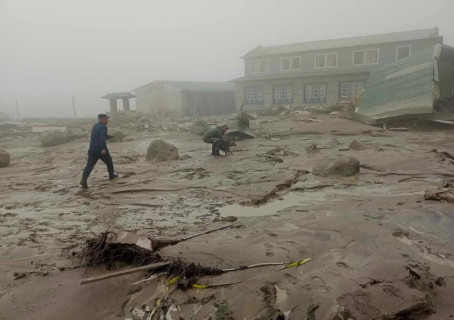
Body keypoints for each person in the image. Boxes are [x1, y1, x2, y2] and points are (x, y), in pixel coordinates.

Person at [80, 114, 118, 189]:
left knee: (89, 165)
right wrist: (103, 148)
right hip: (100, 149)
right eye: (106, 118)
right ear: (101, 119)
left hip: (92, 149)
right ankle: (111, 175)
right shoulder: (103, 127)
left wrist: (108, 136)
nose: (107, 120)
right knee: (109, 161)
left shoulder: (95, 126)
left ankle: (83, 179)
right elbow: (101, 138)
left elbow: (96, 136)